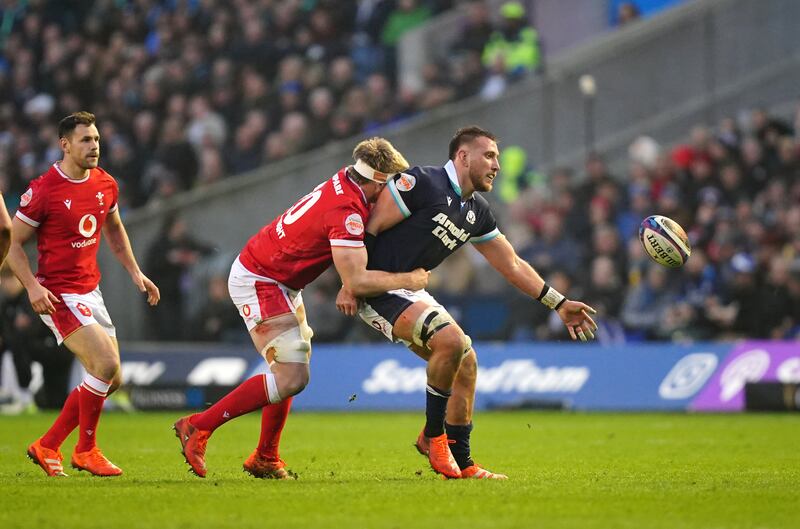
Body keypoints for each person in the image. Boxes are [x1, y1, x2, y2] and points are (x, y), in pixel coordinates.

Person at [264, 126, 598, 480]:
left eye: (497, 157)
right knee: (451, 341)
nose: (496, 165)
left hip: (412, 288)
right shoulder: (421, 182)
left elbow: (511, 263)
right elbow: (366, 228)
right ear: (463, 156)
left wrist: (559, 304)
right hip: (378, 287)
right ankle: (434, 437)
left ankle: (463, 462)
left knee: (466, 362)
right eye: (489, 156)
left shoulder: (477, 211)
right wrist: (351, 282)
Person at [173, 137, 430, 479]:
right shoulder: (347, 211)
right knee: (292, 376)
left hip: (279, 278)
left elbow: (347, 262)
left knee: (292, 368)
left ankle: (265, 456)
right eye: (390, 186)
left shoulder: (346, 182)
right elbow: (357, 277)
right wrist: (408, 280)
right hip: (261, 279)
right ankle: (198, 426)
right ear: (377, 181)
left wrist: (348, 282)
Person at [8, 111, 160, 477]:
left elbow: (116, 231)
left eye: (96, 140)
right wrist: (32, 286)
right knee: (105, 367)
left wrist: (136, 272)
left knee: (113, 379)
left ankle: (47, 444)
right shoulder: (44, 189)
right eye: (85, 140)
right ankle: (86, 450)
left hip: (91, 290)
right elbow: (11, 243)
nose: (94, 147)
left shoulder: (105, 183)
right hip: (58, 293)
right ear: (65, 144)